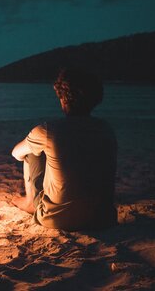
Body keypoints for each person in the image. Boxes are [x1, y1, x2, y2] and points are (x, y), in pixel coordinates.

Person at [11, 69, 117, 231]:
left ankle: (30, 202)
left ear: (62, 99)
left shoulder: (48, 130)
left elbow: (16, 153)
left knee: (31, 152)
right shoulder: (106, 129)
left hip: (58, 219)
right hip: (103, 218)